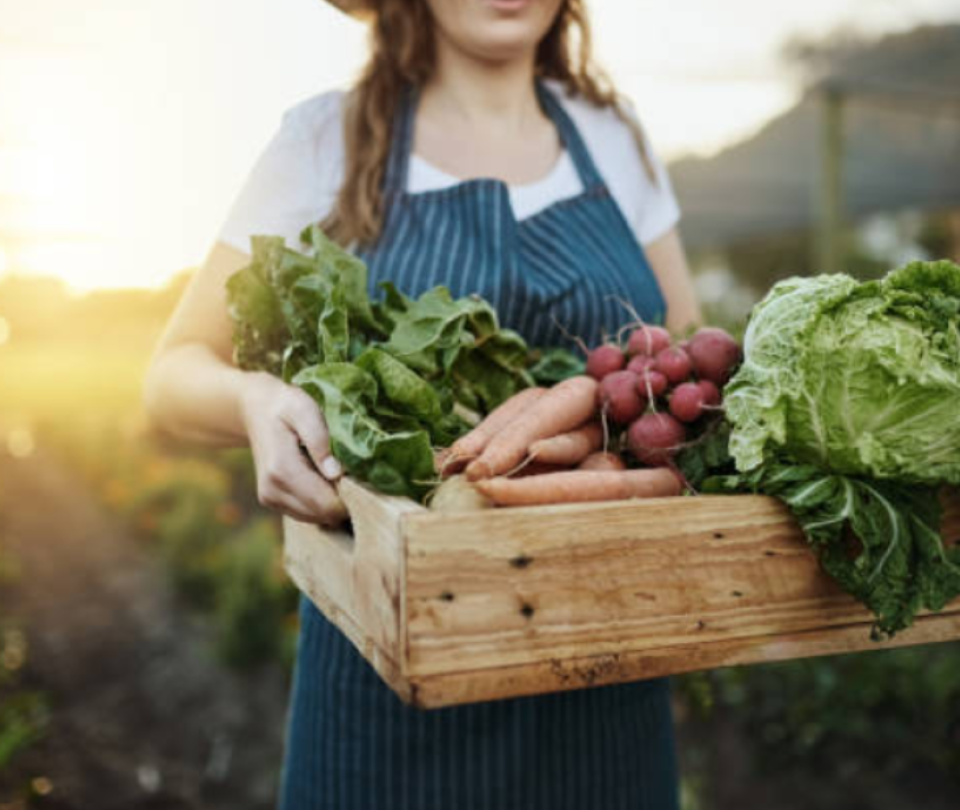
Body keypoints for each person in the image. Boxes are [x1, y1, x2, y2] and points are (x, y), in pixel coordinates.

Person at [144, 0, 703, 807]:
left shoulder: (613, 135)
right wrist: (255, 400)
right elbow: (170, 374)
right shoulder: (320, 142)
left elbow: (683, 362)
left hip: (605, 665)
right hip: (385, 678)